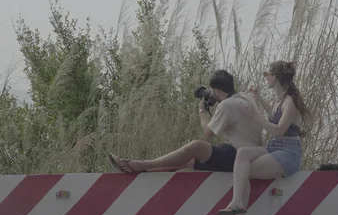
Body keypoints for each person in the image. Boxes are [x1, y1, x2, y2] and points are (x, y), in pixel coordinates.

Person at [214, 60, 307, 215]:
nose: (265, 78)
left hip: (288, 153)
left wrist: (255, 117)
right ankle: (237, 202)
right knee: (242, 154)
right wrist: (258, 99)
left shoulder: (290, 102)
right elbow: (274, 113)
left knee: (245, 170)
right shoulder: (281, 99)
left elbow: (279, 130)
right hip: (274, 147)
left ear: (274, 77)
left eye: (266, 75)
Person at [108, 69, 263, 174]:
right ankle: (143, 168)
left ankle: (141, 165)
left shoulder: (227, 105)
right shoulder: (245, 98)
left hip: (240, 156)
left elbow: (208, 132)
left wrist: (202, 111)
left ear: (216, 90)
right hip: (254, 153)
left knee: (195, 147)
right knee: (190, 161)